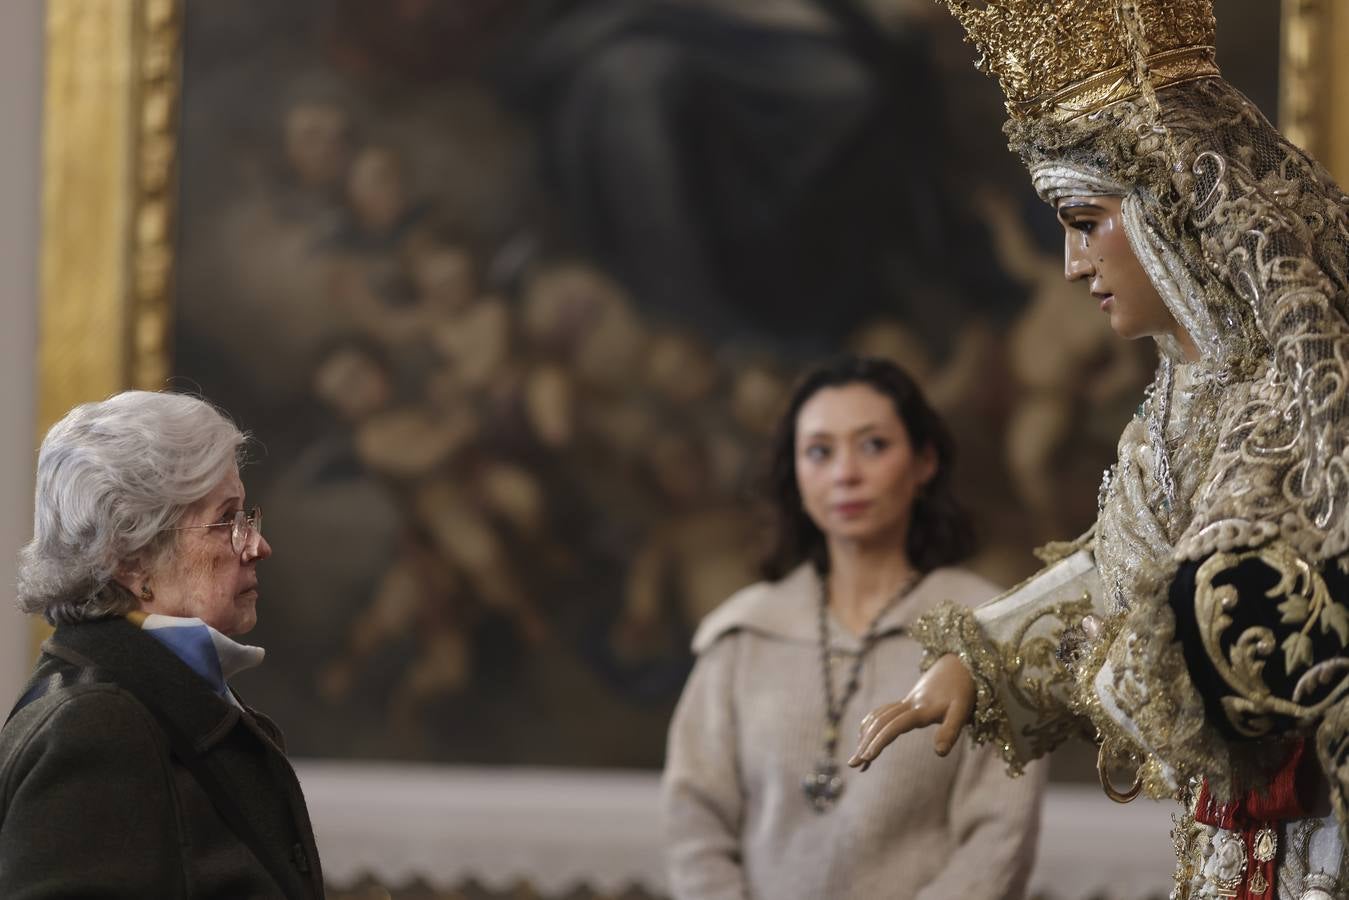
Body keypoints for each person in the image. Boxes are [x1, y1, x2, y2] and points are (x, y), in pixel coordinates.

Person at [848, 1, 1349, 896]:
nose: (1073, 266)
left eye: (1084, 221)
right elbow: (1119, 571)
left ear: (1169, 210)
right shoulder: (1176, 395)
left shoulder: (1306, 395)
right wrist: (983, 659)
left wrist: (1147, 659)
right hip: (1232, 847)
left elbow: (1248, 628)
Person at [662, 355, 1045, 900]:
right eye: (819, 451)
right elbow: (694, 820)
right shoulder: (744, 634)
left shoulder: (987, 630)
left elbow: (999, 837)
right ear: (795, 474)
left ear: (924, 461)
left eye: (873, 445)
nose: (845, 473)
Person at [0, 391, 324, 898]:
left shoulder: (134, 698)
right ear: (130, 557)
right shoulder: (96, 726)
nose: (257, 545)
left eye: (248, 517)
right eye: (226, 520)